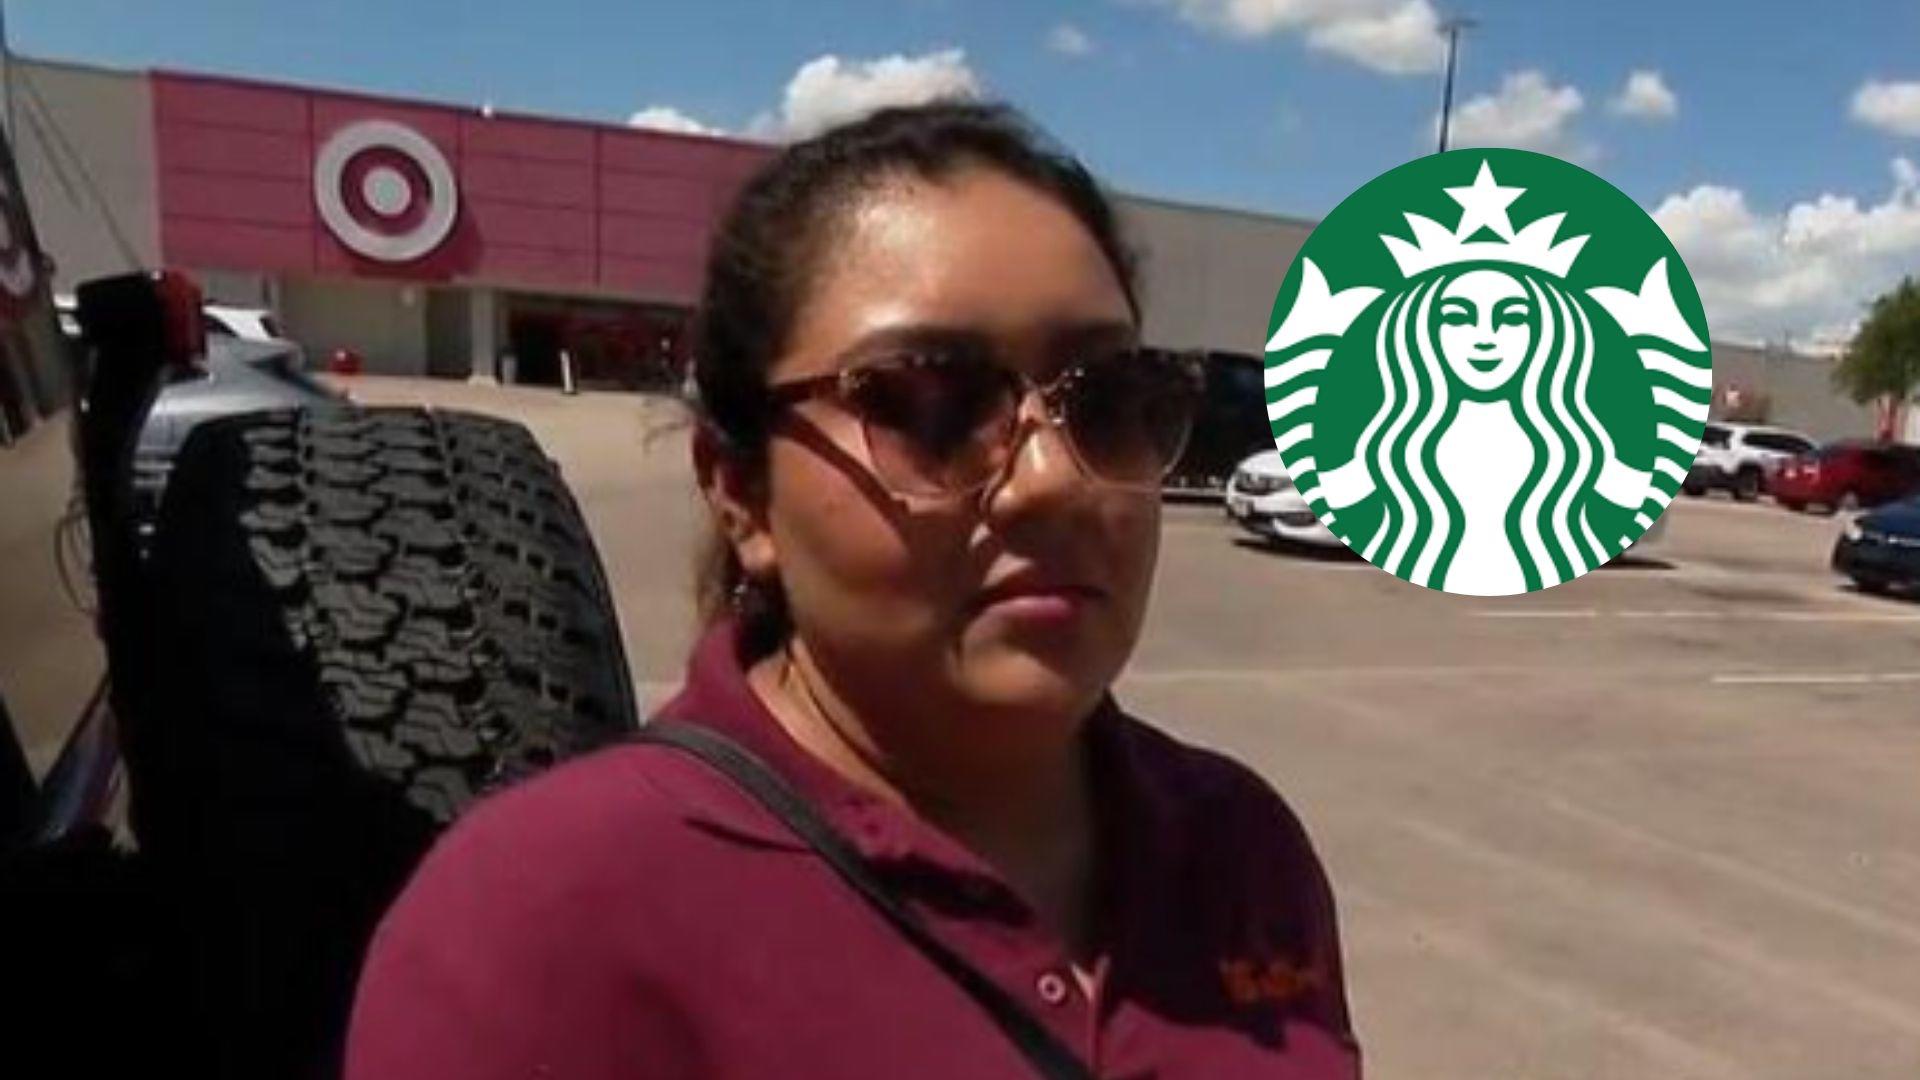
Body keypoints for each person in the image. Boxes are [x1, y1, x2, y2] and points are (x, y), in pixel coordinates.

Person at [345, 101, 1359, 1079]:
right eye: (927, 402)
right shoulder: (539, 923)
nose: (1054, 480)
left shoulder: (1240, 848)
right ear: (741, 494)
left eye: (1110, 401)